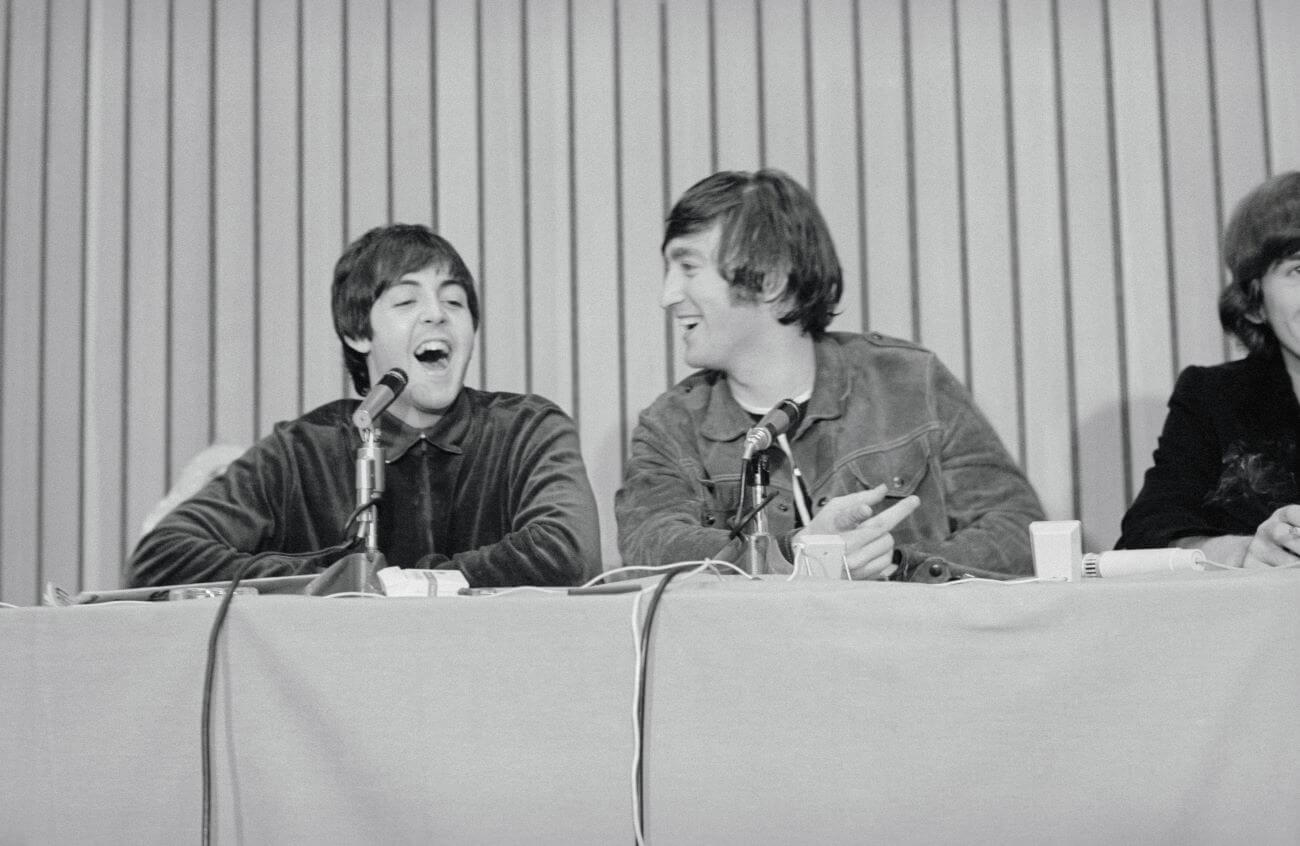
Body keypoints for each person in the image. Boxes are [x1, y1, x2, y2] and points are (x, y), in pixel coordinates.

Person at [615, 169, 1043, 579]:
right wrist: (794, 553)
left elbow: (1017, 531)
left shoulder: (910, 382)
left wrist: (892, 563)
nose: (666, 295)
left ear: (770, 280)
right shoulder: (671, 425)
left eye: (688, 268)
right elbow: (651, 546)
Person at [128, 224, 601, 588]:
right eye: (406, 301)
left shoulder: (528, 429)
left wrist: (400, 584)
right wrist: (332, 577)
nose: (437, 313)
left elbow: (567, 550)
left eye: (454, 301)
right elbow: (162, 557)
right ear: (358, 333)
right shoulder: (301, 451)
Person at [1118, 171, 1300, 567]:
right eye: (1298, 270)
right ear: (1254, 303)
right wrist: (1247, 553)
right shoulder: (1214, 398)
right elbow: (1143, 541)